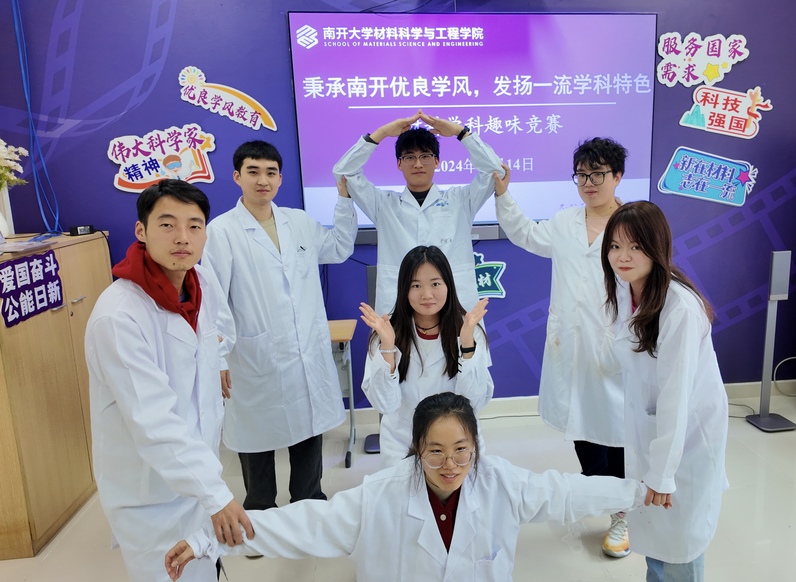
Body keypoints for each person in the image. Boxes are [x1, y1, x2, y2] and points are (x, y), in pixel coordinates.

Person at [165, 392, 648, 581]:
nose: (450, 464)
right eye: (435, 451)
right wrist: (210, 540)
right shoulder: (383, 494)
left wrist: (639, 492)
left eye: (461, 450)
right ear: (416, 449)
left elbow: (565, 493)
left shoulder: (500, 481)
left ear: (476, 446)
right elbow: (306, 522)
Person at [85, 179, 253, 582]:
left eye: (194, 226)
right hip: (150, 496)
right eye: (167, 224)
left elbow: (208, 351)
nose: (182, 237)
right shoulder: (119, 316)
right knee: (168, 575)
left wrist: (209, 487)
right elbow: (153, 421)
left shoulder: (201, 282)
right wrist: (216, 495)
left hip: (197, 471)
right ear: (141, 231)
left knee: (205, 569)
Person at [494, 137, 632, 557]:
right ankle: (599, 491)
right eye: (582, 175)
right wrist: (503, 194)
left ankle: (622, 512)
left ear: (617, 176)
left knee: (618, 430)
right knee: (580, 422)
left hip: (617, 345)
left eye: (598, 173)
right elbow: (525, 233)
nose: (589, 182)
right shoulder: (565, 222)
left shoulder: (633, 225)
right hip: (569, 346)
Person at [202, 140, 357, 512]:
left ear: (280, 178)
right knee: (255, 438)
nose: (263, 180)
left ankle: (309, 504)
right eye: (253, 172)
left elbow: (338, 248)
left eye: (270, 172)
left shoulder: (298, 222)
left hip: (304, 353)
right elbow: (213, 300)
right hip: (253, 357)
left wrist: (344, 200)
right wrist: (218, 357)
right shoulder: (221, 231)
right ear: (237, 176)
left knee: (308, 428)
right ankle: (260, 512)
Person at [601, 201, 729, 581]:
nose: (622, 256)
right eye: (615, 246)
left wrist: (663, 472)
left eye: (635, 246)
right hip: (652, 428)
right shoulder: (627, 290)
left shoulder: (680, 309)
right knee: (656, 536)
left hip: (687, 438)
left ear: (657, 248)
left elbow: (676, 397)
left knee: (680, 540)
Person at [333, 109, 505, 316]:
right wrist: (382, 133)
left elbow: (496, 171)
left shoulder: (461, 200)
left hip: (454, 305)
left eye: (425, 156)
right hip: (400, 306)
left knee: (461, 337)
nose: (417, 164)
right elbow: (344, 172)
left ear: (437, 161)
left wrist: (460, 132)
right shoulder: (383, 205)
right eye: (409, 157)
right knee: (395, 338)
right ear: (399, 163)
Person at [358, 245, 493, 467]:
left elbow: (475, 402)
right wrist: (388, 347)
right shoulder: (386, 332)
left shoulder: (470, 329)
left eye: (435, 284)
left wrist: (467, 345)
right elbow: (385, 405)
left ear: (448, 285)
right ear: (404, 289)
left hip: (458, 444)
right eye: (416, 285)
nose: (427, 294)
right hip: (403, 443)